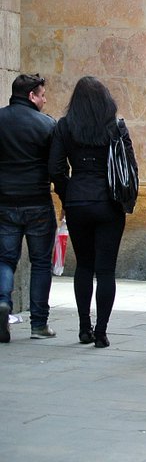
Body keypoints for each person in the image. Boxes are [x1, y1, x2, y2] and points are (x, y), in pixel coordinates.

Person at [48, 76, 136, 348]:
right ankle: (102, 331)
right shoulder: (115, 127)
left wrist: (66, 192)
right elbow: (130, 164)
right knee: (106, 269)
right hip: (109, 203)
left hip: (78, 201)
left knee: (84, 266)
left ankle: (84, 326)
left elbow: (55, 168)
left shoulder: (65, 126)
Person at [0, 73, 58, 343]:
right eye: (43, 95)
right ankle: (39, 323)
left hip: (4, 201)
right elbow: (55, 166)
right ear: (32, 95)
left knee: (4, 259)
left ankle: (2, 303)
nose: (45, 100)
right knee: (41, 263)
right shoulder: (46, 125)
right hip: (37, 202)